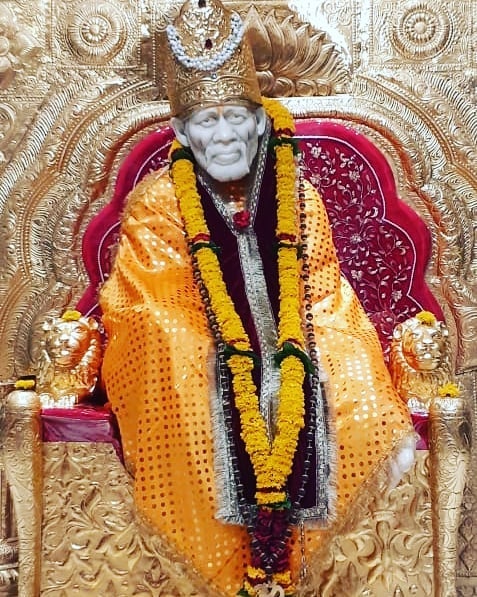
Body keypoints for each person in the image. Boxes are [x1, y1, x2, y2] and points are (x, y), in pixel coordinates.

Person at [99, 1, 414, 595]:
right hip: (206, 356)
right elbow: (148, 307)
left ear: (261, 122)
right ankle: (223, 574)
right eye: (206, 121)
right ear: (183, 134)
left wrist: (305, 358)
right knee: (188, 377)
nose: (223, 136)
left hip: (297, 348)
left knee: (351, 382)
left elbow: (325, 293)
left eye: (234, 117)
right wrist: (229, 362)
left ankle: (328, 574)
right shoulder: (158, 203)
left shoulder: (297, 195)